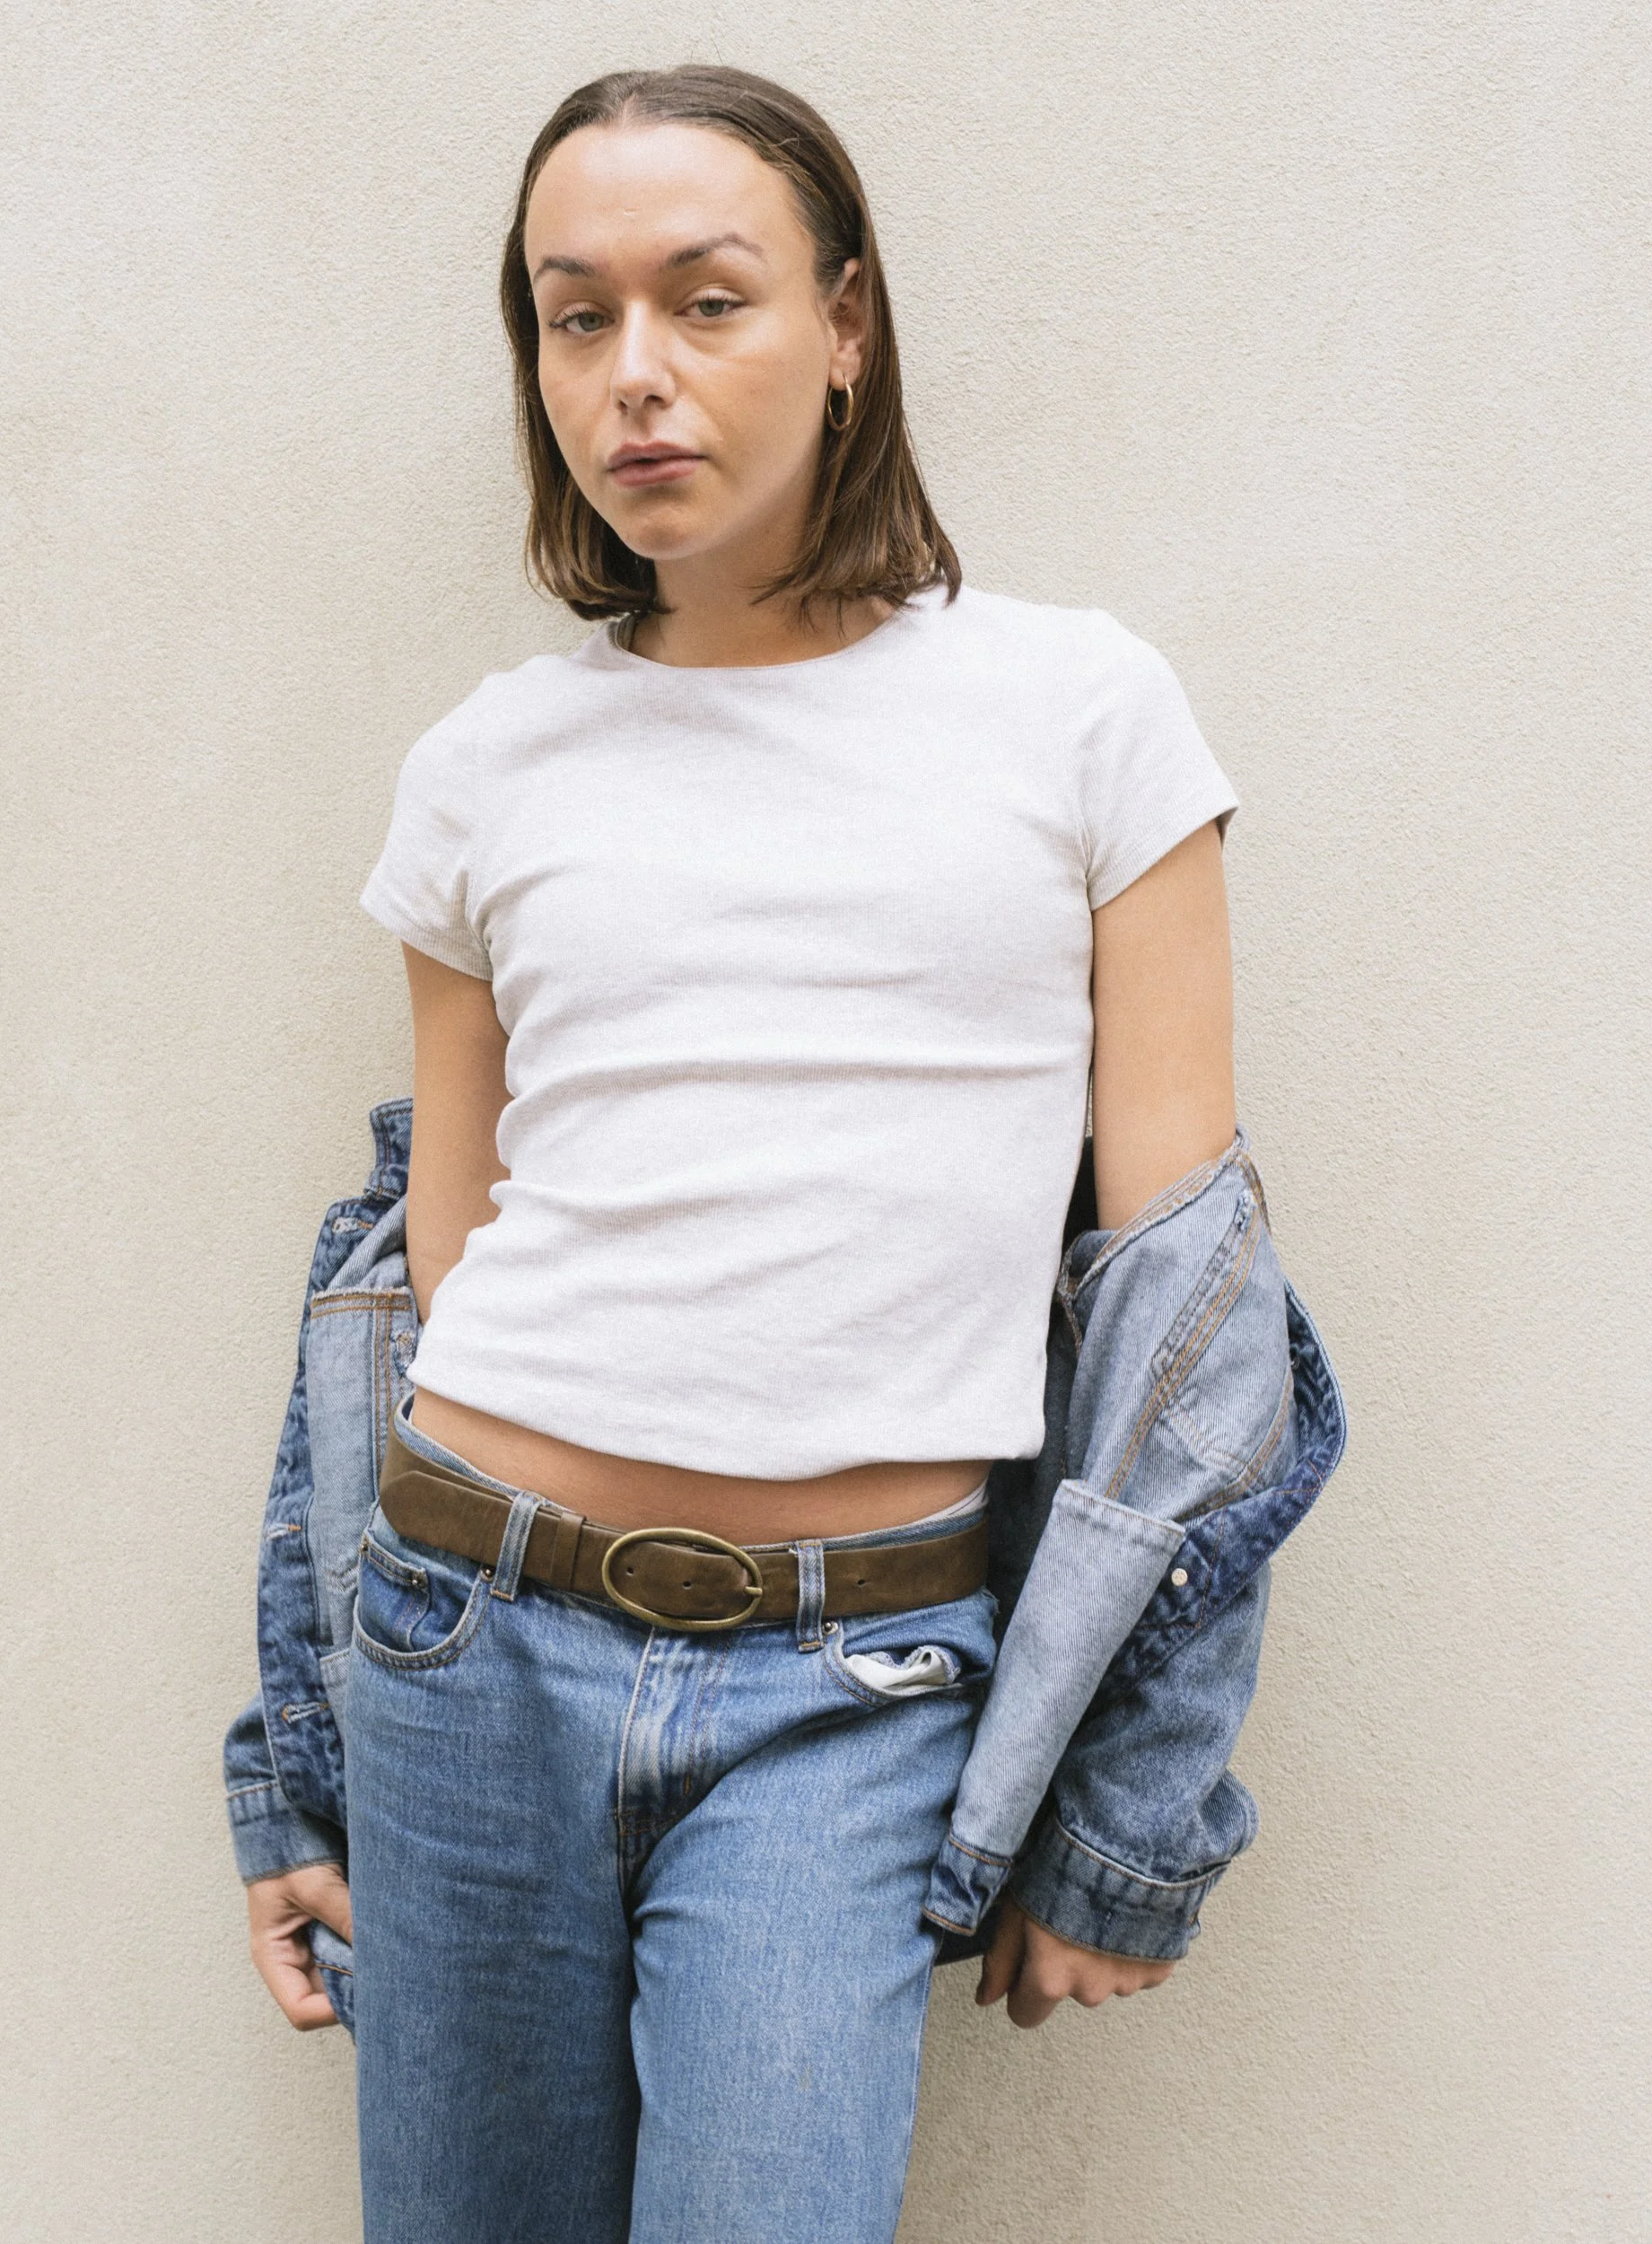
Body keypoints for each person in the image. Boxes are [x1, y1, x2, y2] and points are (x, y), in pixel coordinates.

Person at [244, 64, 1254, 2243]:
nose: (634, 379)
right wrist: (290, 1759)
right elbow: (418, 1275)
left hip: (853, 1687)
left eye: (706, 302)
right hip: (456, 1636)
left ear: (849, 321)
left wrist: (1133, 1808)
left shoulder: (1081, 715)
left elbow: (1190, 1302)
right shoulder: (492, 762)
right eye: (572, 314)